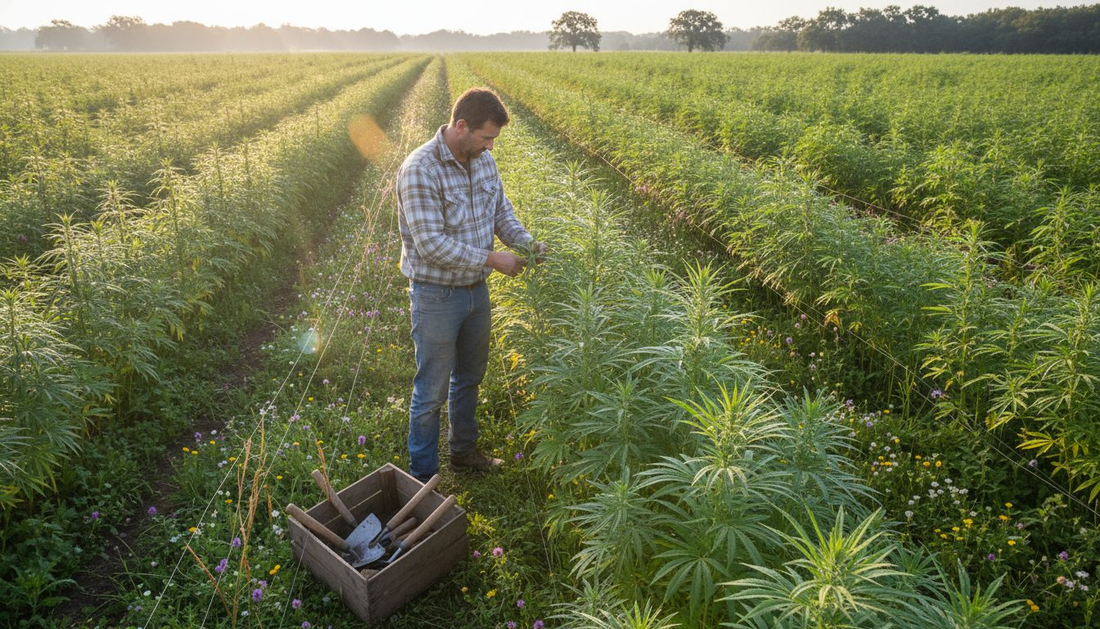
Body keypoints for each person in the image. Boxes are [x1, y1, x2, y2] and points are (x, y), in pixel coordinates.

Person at [396, 88, 542, 482]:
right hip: (436, 296)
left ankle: (463, 453)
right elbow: (430, 244)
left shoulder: (484, 162)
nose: (490, 146)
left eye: (493, 139)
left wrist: (528, 246)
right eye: (486, 137)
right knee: (430, 393)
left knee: (470, 378)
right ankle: (424, 481)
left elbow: (501, 214)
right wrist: (494, 259)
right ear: (462, 126)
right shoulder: (420, 169)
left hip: (476, 292)